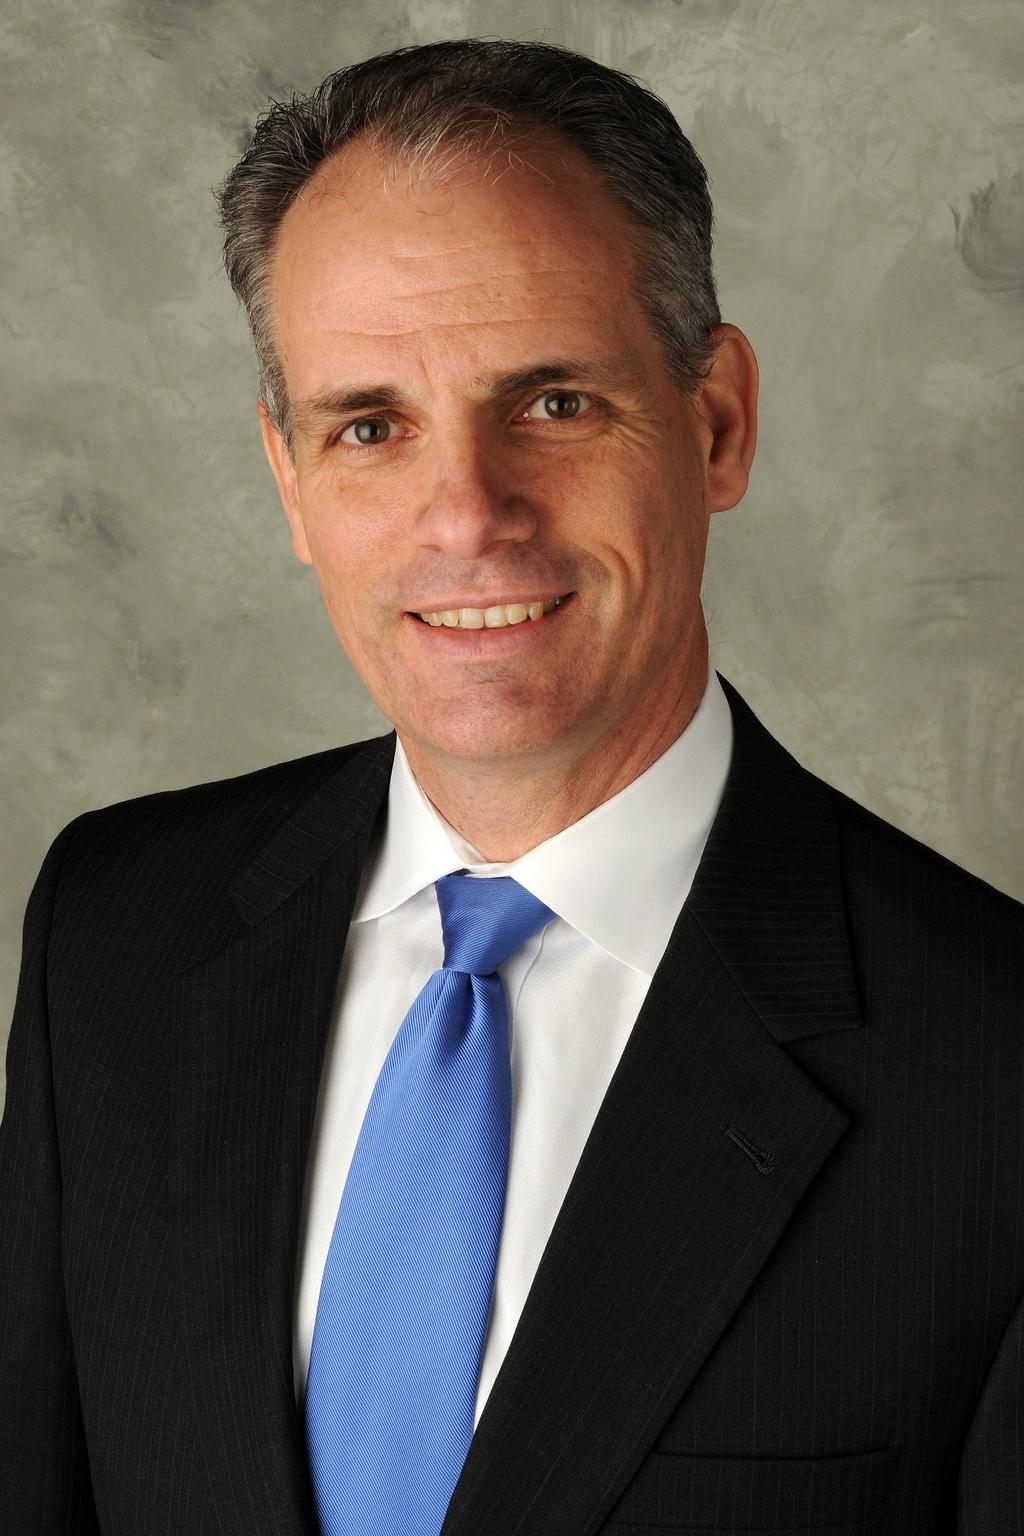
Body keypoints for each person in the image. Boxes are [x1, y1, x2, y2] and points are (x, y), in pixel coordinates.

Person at [0, 36, 1020, 1536]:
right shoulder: (116, 935)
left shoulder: (991, 1070)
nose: (467, 516)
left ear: (717, 424)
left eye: (553, 404)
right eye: (370, 427)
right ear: (289, 479)